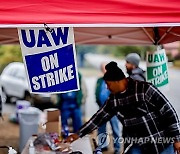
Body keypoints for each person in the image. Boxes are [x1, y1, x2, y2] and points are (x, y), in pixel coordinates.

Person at [65, 61, 180, 154]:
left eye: (109, 84)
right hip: (138, 144)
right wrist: (78, 134)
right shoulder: (113, 100)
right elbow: (99, 118)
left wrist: (177, 139)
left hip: (162, 142)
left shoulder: (145, 89)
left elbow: (169, 113)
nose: (108, 88)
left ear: (118, 81)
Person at [95, 62, 121, 153]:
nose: (104, 70)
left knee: (115, 129)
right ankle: (103, 146)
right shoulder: (100, 80)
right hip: (102, 109)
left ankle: (117, 148)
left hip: (112, 109)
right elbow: (97, 91)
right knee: (101, 129)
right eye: (103, 68)